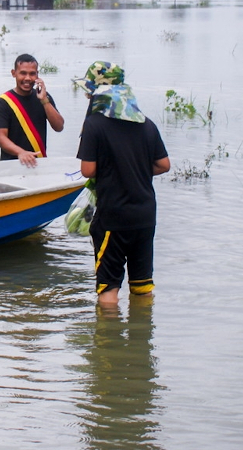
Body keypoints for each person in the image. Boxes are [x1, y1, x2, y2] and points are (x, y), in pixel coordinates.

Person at [74, 61, 170, 307]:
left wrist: (113, 170)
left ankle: (108, 340)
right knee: (143, 286)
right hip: (145, 217)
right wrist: (133, 168)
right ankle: (141, 337)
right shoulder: (147, 124)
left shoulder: (95, 125)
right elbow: (163, 165)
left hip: (113, 217)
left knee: (109, 289)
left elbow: (88, 170)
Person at [0, 53, 65, 167]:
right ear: (14, 73)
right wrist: (21, 152)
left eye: (32, 74)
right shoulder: (3, 102)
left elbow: (59, 127)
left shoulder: (44, 97)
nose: (27, 78)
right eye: (23, 73)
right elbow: (1, 138)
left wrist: (45, 101)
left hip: (39, 165)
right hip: (11, 166)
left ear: (37, 75)